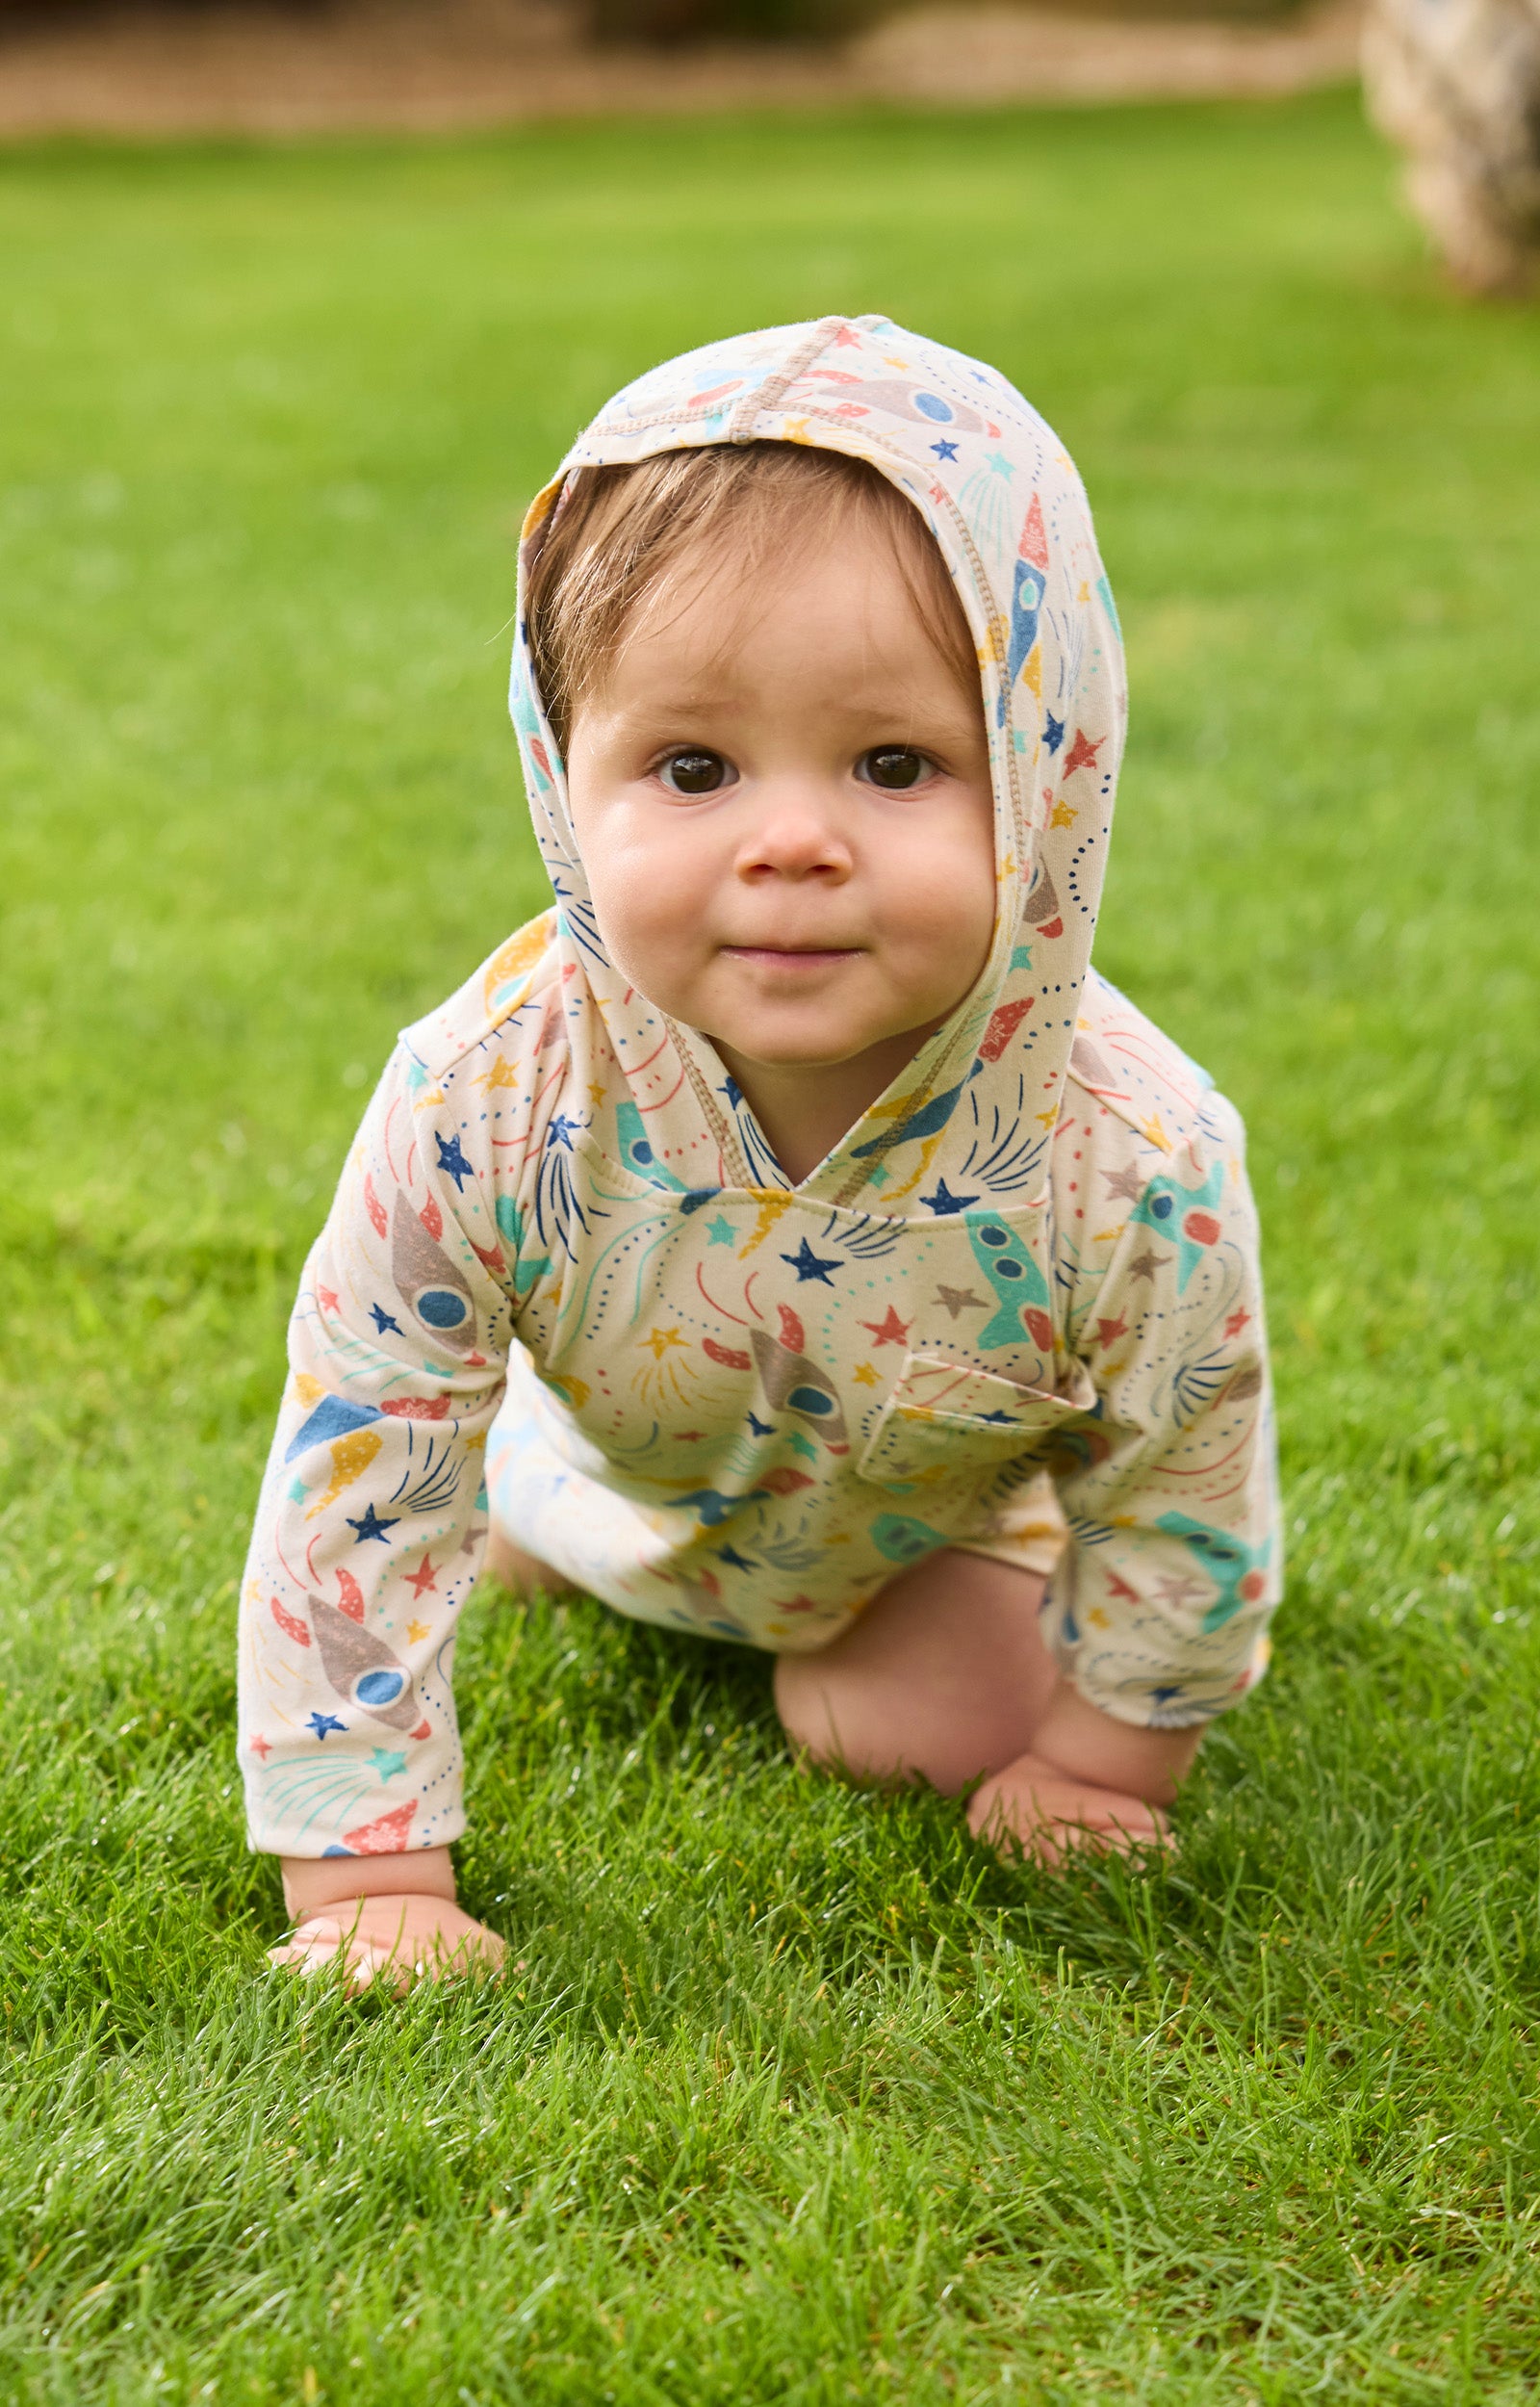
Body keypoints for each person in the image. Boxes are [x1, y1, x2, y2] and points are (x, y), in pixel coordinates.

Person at [242, 314, 1279, 1991]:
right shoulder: (483, 1101)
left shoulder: (1127, 1156)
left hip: (922, 1531)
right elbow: (361, 1457)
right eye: (694, 766)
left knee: (915, 1722)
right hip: (629, 1449)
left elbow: (1185, 1478)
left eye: (895, 764)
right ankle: (547, 1511)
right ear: (561, 773)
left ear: (1047, 771)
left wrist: (1101, 1759)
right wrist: (369, 1878)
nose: (791, 842)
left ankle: (761, 1594)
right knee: (481, 1494)